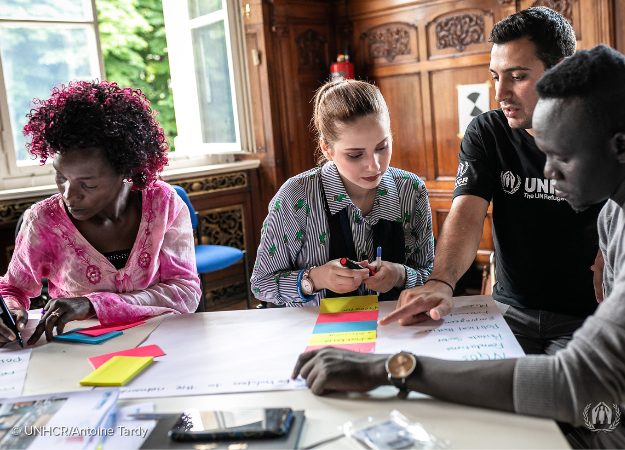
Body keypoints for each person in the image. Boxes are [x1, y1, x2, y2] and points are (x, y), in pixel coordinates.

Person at [292, 44, 625, 450]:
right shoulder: (611, 215)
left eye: (562, 156)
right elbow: (466, 216)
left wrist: (390, 368)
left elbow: (578, 382)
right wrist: (440, 282)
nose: (548, 173)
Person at [381, 7, 603, 356]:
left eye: (517, 76)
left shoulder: (604, 128)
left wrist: (614, 246)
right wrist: (441, 281)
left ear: (560, 71)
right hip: (509, 313)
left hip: (589, 317)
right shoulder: (488, 131)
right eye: (495, 76)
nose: (500, 93)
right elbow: (467, 213)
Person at [0, 80, 201, 346]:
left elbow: (185, 291)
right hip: (78, 350)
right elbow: (12, 288)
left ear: (126, 170)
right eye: (61, 177)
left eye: (88, 184)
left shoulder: (163, 204)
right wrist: (10, 311)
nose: (69, 195)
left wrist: (93, 304)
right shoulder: (43, 221)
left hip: (162, 341)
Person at [251, 79, 434, 306]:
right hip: (317, 335)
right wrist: (315, 278)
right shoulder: (296, 196)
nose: (374, 166)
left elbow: (432, 275)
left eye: (382, 147)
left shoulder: (411, 189)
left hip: (396, 329)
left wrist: (399, 275)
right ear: (327, 149)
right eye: (355, 155)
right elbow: (261, 284)